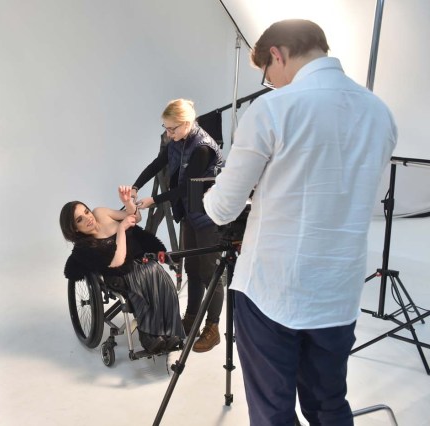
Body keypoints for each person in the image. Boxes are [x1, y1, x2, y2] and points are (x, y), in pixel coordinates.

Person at [203, 19, 397, 425]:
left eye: (268, 73)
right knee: (329, 406)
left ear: (278, 54)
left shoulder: (272, 108)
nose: (271, 82)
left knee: (274, 412)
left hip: (274, 291)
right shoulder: (381, 114)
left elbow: (222, 209)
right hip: (338, 294)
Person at [132, 98, 225, 353]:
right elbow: (157, 163)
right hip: (189, 211)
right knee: (192, 269)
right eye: (165, 128)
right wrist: (136, 186)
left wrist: (154, 200)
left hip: (207, 214)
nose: (168, 133)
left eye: (172, 128)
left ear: (186, 124)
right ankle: (191, 317)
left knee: (210, 273)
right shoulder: (175, 140)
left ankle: (213, 327)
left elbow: (186, 187)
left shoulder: (202, 147)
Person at [60, 186, 185, 354]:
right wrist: (120, 229)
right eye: (79, 219)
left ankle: (170, 330)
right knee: (144, 276)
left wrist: (128, 203)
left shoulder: (101, 213)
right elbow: (118, 262)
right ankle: (150, 336)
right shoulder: (84, 247)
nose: (88, 218)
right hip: (119, 273)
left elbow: (135, 218)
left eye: (87, 212)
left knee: (162, 279)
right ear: (74, 228)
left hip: (140, 261)